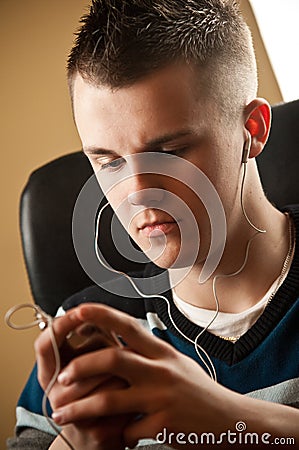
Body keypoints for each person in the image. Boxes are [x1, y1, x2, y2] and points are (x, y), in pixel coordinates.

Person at [7, 0, 299, 449]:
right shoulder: (89, 336)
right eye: (109, 162)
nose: (139, 193)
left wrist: (232, 420)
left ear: (253, 129)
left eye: (170, 152)